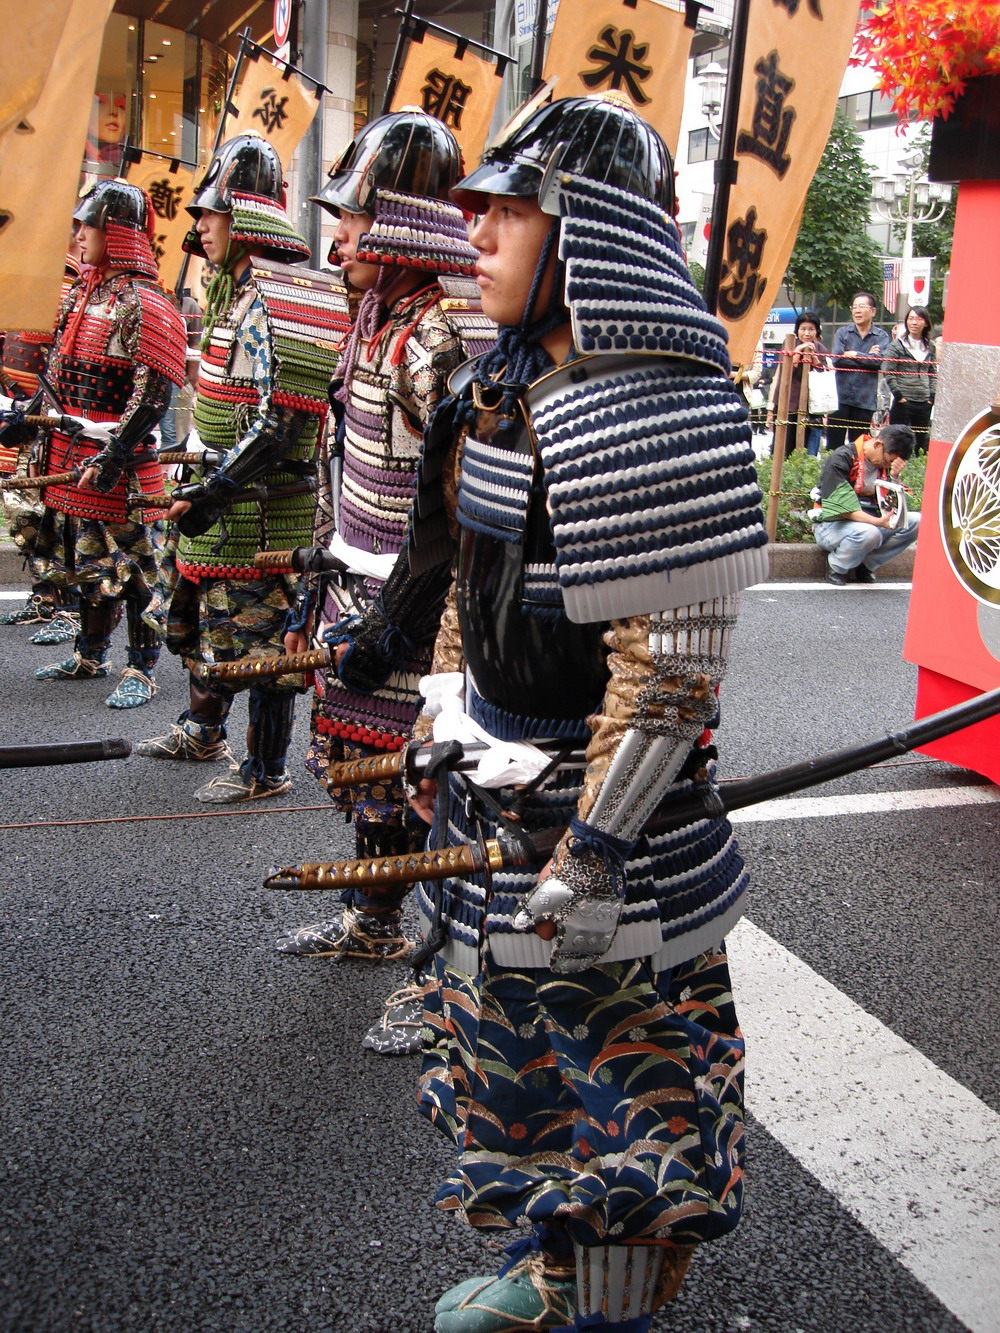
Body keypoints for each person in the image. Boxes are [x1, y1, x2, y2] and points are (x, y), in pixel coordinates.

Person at [395, 93, 769, 1332]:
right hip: (498, 794)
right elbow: (469, 586)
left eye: (510, 208)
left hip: (611, 826)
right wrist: (441, 716)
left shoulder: (653, 394)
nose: (479, 233)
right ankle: (552, 1277)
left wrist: (595, 848)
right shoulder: (502, 385)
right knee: (516, 1070)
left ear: (589, 228)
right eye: (479, 208)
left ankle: (605, 1310)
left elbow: (670, 669)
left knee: (627, 1093)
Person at [272, 111, 485, 978]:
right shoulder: (372, 317)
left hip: (421, 610)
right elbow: (335, 461)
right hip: (357, 589)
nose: (338, 240)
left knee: (428, 786)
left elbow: (466, 522)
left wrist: (397, 627)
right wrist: (313, 591)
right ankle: (374, 920)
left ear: (400, 225)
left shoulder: (437, 338)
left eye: (353, 220)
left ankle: (439, 976)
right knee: (364, 773)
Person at [136, 132, 343, 801]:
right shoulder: (239, 294)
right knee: (207, 627)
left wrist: (216, 490)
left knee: (259, 648)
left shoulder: (279, 299)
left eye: (212, 212)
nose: (199, 225)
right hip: (221, 496)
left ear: (247, 214)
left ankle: (266, 769)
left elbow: (282, 425)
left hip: (260, 508)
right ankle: (204, 730)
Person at [29, 181, 187, 708]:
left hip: (123, 461)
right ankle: (90, 651)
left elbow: (154, 393)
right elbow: (56, 370)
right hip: (72, 451)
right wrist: (31, 420)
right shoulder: (82, 293)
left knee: (135, 565)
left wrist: (115, 453)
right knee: (89, 561)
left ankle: (141, 668)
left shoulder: (144, 301)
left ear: (115, 231)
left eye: (86, 224)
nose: (78, 235)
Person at [0, 247, 83, 643]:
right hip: (14, 421)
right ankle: (44, 593)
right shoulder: (14, 282)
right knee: (21, 515)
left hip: (49, 422)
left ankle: (68, 600)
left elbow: (64, 362)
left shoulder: (68, 285)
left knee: (50, 516)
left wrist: (35, 410)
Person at [812, 422, 920, 585]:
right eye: (887, 461)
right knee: (870, 532)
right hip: (832, 525)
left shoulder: (886, 468)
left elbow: (897, 507)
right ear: (878, 444)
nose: (887, 465)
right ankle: (837, 565)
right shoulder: (842, 458)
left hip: (870, 523)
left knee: (917, 522)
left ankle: (866, 564)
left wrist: (895, 477)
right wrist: (878, 522)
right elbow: (842, 509)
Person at [828, 291, 890, 451]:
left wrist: (854, 354)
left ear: (873, 311)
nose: (857, 311)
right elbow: (837, 359)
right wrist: (867, 356)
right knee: (834, 447)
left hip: (865, 401)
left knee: (859, 450)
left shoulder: (881, 336)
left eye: (862, 307)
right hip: (840, 398)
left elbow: (878, 363)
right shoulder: (843, 333)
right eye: (854, 307)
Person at [764, 308, 831, 455]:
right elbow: (786, 371)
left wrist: (813, 357)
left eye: (811, 329)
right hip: (787, 404)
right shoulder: (789, 343)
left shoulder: (821, 348)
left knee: (807, 448)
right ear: (797, 330)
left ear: (817, 331)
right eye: (803, 329)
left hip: (810, 407)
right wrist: (798, 351)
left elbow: (823, 374)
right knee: (783, 446)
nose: (807, 333)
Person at [883, 305, 936, 452]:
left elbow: (933, 373)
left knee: (921, 443)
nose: (914, 322)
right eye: (911, 318)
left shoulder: (930, 347)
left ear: (925, 323)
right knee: (896, 441)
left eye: (918, 319)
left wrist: (931, 396)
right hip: (904, 400)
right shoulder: (897, 346)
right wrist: (899, 396)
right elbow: (889, 372)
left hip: (924, 401)